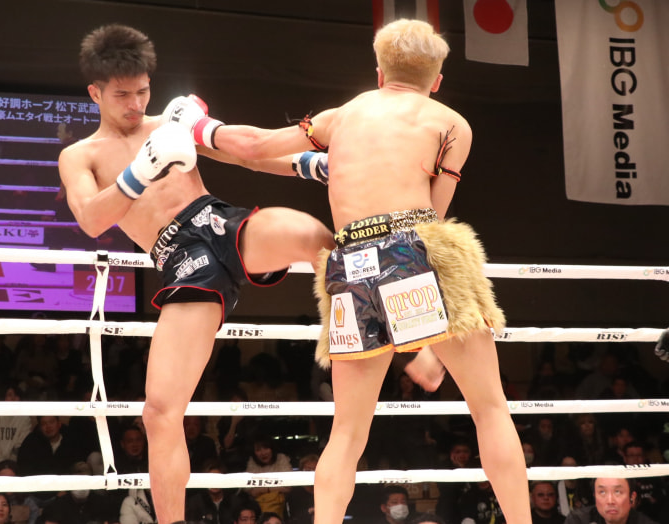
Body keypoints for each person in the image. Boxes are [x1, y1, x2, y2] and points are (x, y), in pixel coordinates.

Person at [198, 17, 531, 524]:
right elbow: (432, 219)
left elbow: (254, 150)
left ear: (379, 72)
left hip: (350, 263)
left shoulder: (341, 116)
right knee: (490, 409)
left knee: (347, 433)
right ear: (437, 79)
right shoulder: (452, 124)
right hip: (413, 246)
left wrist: (194, 133)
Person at [57, 23, 334, 524]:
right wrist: (141, 170)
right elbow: (92, 219)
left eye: (143, 91)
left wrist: (311, 164)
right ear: (95, 93)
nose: (136, 104)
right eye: (122, 95)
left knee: (313, 235)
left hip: (219, 222)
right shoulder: (80, 155)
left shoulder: (170, 122)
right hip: (180, 257)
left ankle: (406, 341)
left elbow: (247, 155)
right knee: (160, 413)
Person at [564, 477, 658, 524]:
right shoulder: (578, 520)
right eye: (602, 492)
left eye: (617, 492)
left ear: (632, 497)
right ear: (595, 496)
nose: (610, 501)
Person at [0, 385, 33, 471]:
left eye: (16, 395)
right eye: (9, 395)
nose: (13, 398)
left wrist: (9, 467)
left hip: (15, 467)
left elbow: (21, 446)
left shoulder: (24, 419)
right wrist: (1, 466)